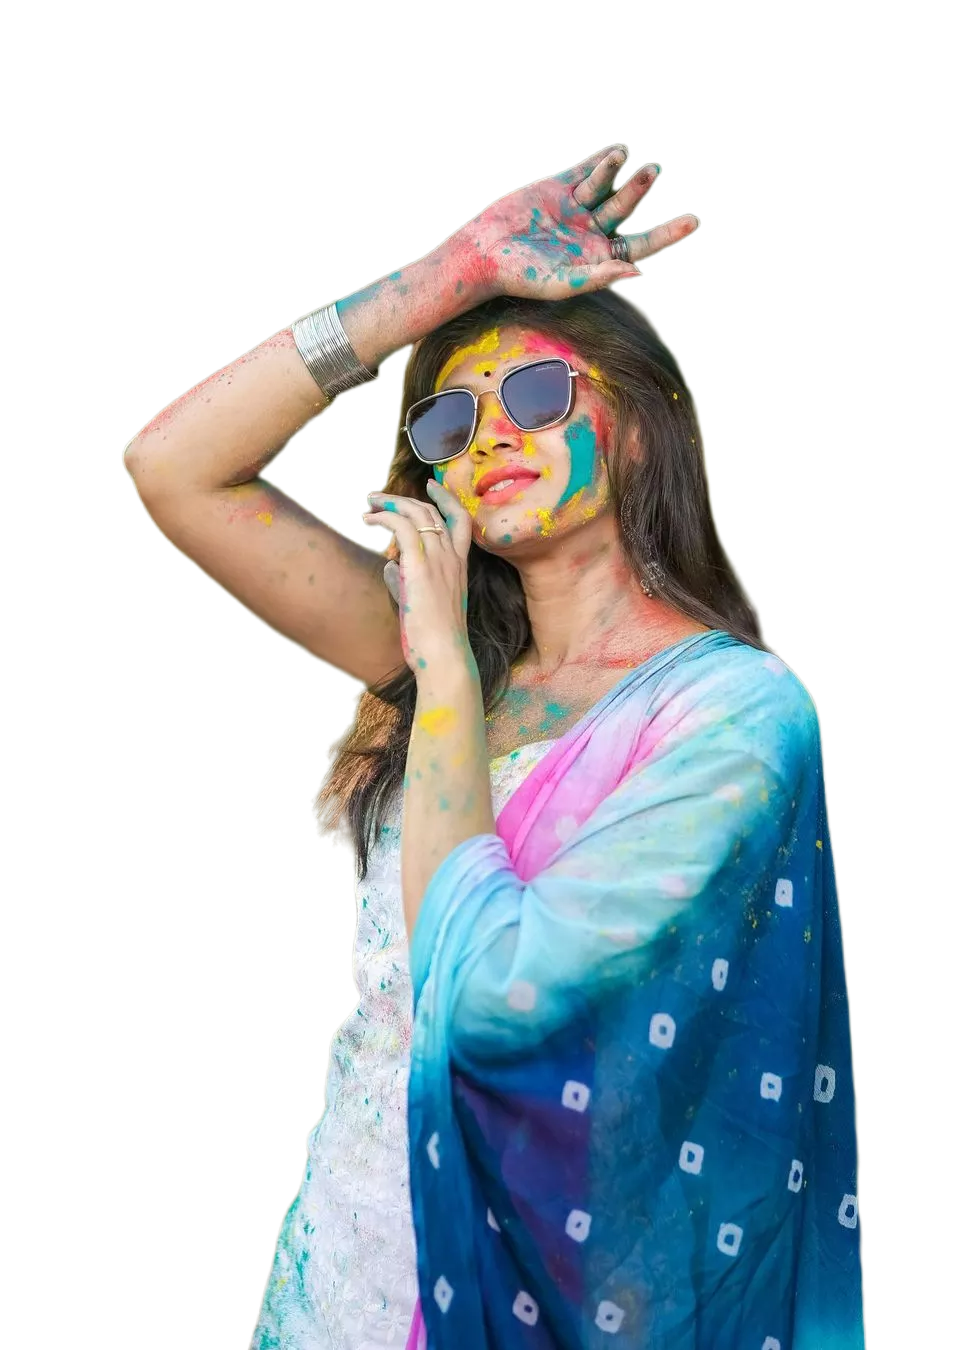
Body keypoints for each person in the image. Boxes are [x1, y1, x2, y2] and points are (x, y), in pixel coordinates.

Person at [123, 144, 864, 1349]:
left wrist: (445, 676)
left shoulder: (733, 714)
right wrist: (447, 277)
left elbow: (488, 1002)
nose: (487, 437)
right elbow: (172, 469)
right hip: (345, 1267)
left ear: (641, 426)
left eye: (536, 396)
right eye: (450, 419)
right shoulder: (439, 653)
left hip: (562, 1289)